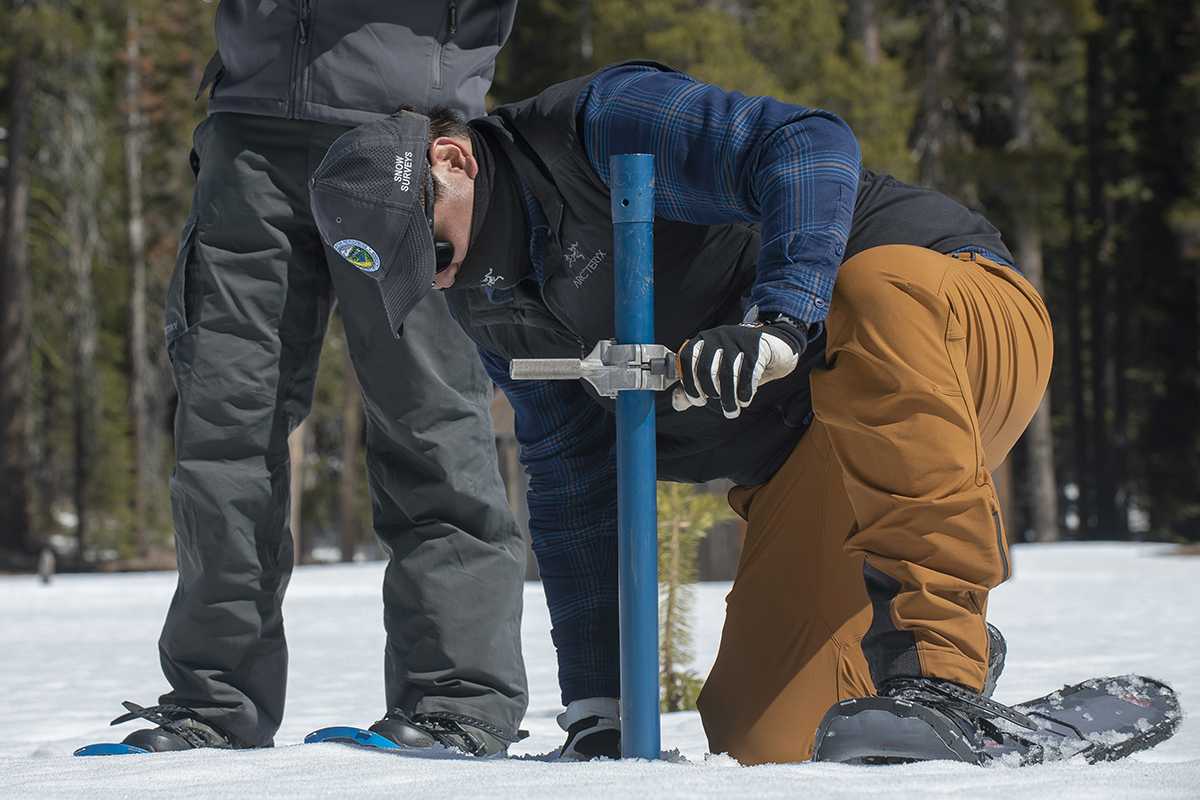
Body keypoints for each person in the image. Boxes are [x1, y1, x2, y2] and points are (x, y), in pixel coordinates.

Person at [309, 61, 1052, 764]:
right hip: (815, 453)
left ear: (453, 160)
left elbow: (807, 142)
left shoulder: (594, 127)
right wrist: (600, 710)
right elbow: (573, 484)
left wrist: (783, 321)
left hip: (952, 331)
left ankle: (944, 674)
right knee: (763, 736)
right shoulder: (491, 301)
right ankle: (914, 666)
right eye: (420, 275)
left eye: (432, 247)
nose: (443, 278)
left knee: (871, 290)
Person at [107, 2, 529, 757]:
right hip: (249, 130)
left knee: (429, 426)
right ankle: (214, 700)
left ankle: (459, 702)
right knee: (222, 434)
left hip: (404, 131)